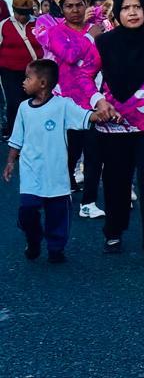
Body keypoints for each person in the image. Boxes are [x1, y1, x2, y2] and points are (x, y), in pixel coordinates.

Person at [92, 0, 144, 262]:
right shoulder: (103, 43)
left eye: (137, 7)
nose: (132, 12)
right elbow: (87, 77)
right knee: (116, 180)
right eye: (126, 8)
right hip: (114, 125)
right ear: (117, 13)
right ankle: (113, 231)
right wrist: (96, 102)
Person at [4, 59, 107, 262]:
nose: (23, 82)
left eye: (28, 78)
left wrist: (105, 113)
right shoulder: (24, 108)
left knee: (57, 214)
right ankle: (33, 239)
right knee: (27, 211)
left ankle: (55, 248)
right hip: (31, 172)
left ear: (42, 83)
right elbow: (17, 138)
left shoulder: (63, 105)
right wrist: (10, 162)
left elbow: (86, 117)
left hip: (56, 174)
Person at [31, 0, 106, 220]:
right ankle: (61, 192)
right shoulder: (55, 32)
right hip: (67, 102)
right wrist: (89, 37)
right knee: (69, 153)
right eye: (69, 6)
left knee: (94, 154)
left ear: (86, 5)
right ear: (61, 8)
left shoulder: (97, 29)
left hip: (93, 99)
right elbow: (71, 56)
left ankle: (89, 202)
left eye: (79, 4)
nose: (74, 10)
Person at [0, 0, 44, 142]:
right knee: (14, 102)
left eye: (26, 13)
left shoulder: (38, 23)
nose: (23, 17)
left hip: (35, 71)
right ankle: (15, 134)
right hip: (10, 72)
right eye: (20, 13)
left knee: (34, 101)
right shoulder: (4, 25)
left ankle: (32, 133)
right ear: (13, 10)